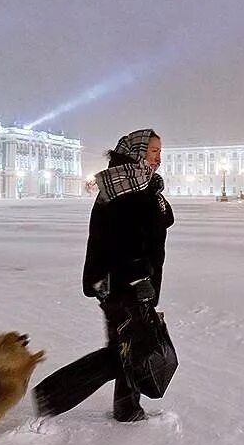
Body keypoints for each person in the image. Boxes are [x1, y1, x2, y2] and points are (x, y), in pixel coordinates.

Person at [33, 129, 174, 422]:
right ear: (137, 153)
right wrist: (138, 279)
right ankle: (52, 395)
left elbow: (158, 222)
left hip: (125, 281)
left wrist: (155, 196)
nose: (158, 158)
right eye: (153, 151)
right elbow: (122, 241)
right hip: (125, 282)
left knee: (130, 345)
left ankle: (127, 407)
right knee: (127, 350)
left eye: (160, 152)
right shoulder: (127, 189)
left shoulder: (136, 184)